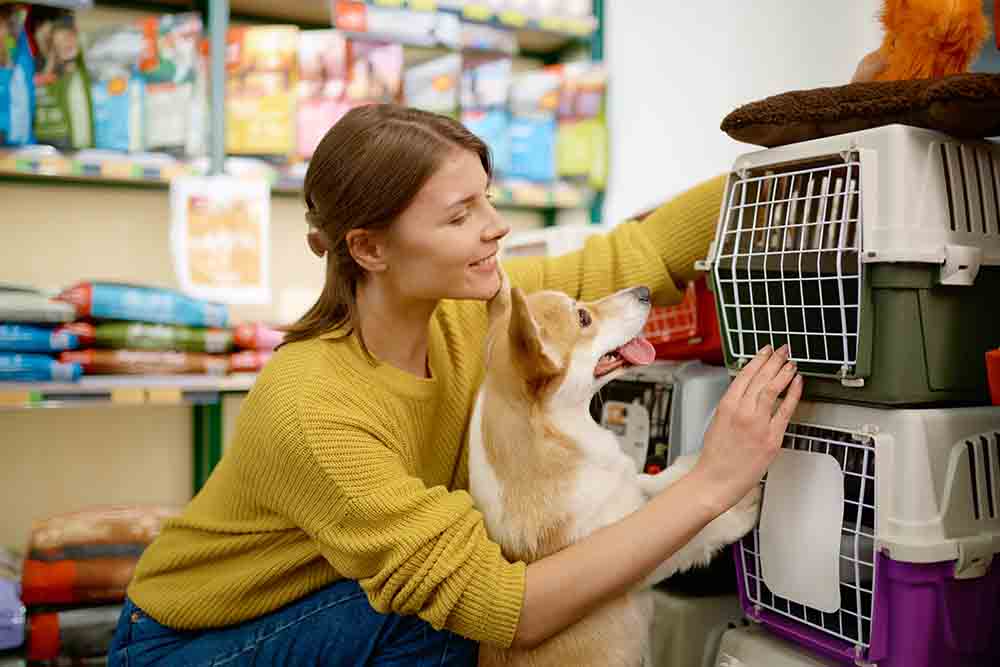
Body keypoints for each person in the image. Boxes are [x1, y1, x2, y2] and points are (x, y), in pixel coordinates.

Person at [108, 104, 801, 666]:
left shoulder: (474, 314)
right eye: (460, 214)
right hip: (191, 645)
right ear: (370, 247)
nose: (496, 227)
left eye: (488, 200)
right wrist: (710, 484)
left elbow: (631, 255)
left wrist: (814, 149)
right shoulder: (313, 406)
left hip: (330, 607)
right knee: (442, 624)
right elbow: (513, 609)